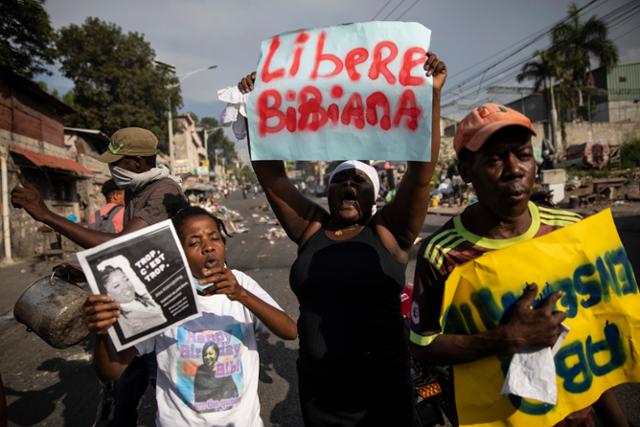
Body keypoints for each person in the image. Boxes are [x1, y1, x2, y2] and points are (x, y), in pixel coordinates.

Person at [237, 51, 447, 426]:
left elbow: (420, 174)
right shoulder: (310, 228)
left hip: (383, 395)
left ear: (375, 195)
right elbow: (272, 176)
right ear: (328, 192)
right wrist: (257, 109)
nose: (349, 183)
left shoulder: (389, 231)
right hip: (321, 394)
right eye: (340, 179)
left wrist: (429, 96)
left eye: (359, 180)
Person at [409, 103, 628, 426]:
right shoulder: (442, 254)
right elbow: (423, 347)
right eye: (495, 159)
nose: (514, 169)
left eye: (523, 154)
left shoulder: (570, 230)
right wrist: (508, 339)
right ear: (465, 172)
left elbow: (588, 336)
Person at [11, 127, 189, 426]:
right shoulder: (137, 190)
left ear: (135, 163)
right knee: (126, 388)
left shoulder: (163, 191)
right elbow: (132, 250)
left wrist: (45, 214)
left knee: (162, 385)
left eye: (115, 162)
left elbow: (123, 245)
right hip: (143, 301)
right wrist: (85, 269)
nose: (111, 168)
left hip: (164, 303)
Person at [83, 206, 297, 426]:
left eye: (214, 238)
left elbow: (289, 330)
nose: (208, 247)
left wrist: (242, 296)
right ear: (177, 253)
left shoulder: (241, 283)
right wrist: (102, 334)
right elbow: (112, 371)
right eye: (194, 243)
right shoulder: (161, 298)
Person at [97, 256, 167, 339]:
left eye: (126, 279)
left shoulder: (145, 299)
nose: (126, 286)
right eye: (116, 285)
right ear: (108, 295)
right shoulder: (122, 320)